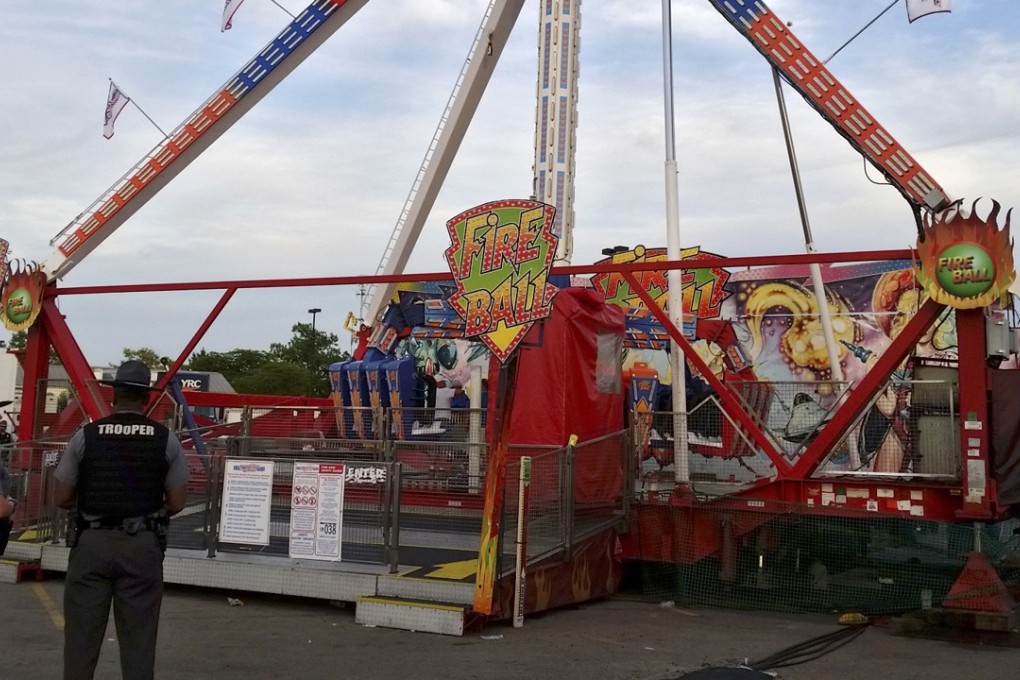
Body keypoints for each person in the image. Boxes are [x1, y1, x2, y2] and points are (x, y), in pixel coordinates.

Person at [54, 360, 190, 680]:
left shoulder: (86, 436)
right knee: (139, 640)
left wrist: (92, 504)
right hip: (142, 545)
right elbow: (178, 501)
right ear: (146, 398)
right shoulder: (165, 439)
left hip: (91, 543)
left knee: (81, 639)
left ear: (114, 395)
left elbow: (60, 497)